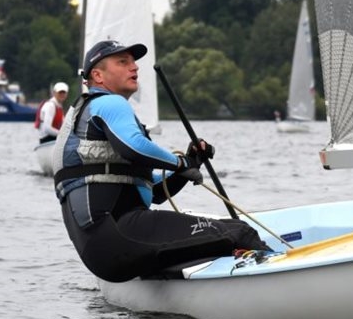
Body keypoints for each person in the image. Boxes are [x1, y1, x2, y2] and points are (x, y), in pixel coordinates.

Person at [54, 39, 270, 283]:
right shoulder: (109, 103)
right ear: (98, 76)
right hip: (119, 234)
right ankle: (279, 275)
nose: (134, 67)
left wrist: (192, 161)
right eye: (123, 62)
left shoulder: (83, 113)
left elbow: (155, 192)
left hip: (101, 253)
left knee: (220, 240)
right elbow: (134, 147)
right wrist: (180, 164)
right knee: (240, 232)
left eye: (134, 62)